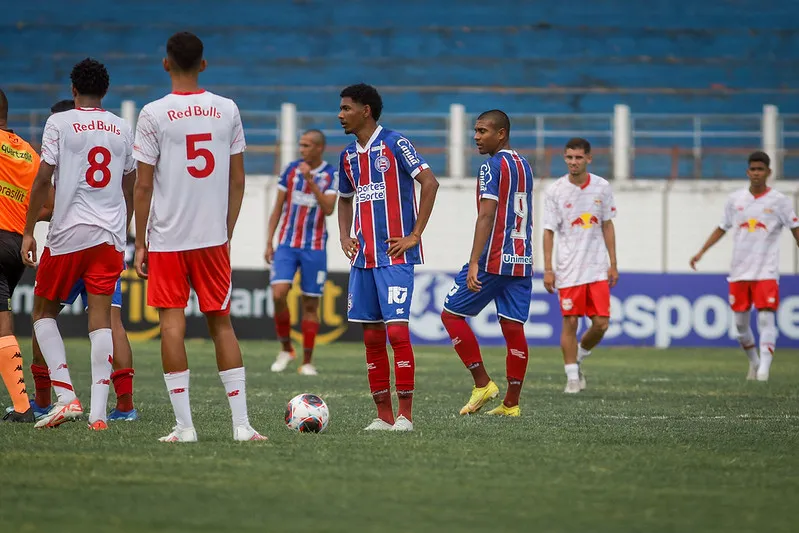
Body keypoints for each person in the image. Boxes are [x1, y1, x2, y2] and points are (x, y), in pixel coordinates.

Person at [132, 31, 266, 442]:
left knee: (172, 328)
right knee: (222, 326)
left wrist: (140, 242)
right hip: (212, 237)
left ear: (166, 63)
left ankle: (185, 428)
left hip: (169, 239)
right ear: (203, 64)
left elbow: (143, 186)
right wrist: (227, 228)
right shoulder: (227, 109)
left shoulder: (153, 113)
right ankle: (241, 426)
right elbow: (238, 180)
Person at [20, 58, 136, 430]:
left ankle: (66, 396)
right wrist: (124, 224)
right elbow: (130, 183)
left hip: (69, 232)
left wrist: (27, 231)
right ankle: (99, 416)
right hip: (109, 236)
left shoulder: (60, 122)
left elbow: (42, 180)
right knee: (101, 321)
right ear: (105, 91)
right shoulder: (121, 127)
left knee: (42, 313)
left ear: (73, 90)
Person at [337, 83, 439, 432]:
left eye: (347, 108)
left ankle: (405, 416)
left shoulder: (395, 143)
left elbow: (430, 182)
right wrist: (343, 235)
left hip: (395, 257)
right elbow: (345, 197)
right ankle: (382, 416)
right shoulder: (348, 156)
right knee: (371, 337)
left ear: (366, 110)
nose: (340, 115)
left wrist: (414, 235)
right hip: (363, 259)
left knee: (397, 334)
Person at [440, 110, 534, 417]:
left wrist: (473, 263)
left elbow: (487, 214)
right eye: (475, 131)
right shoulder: (524, 165)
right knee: (513, 327)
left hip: (494, 258)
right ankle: (511, 404)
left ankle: (482, 384)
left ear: (501, 133)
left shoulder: (491, 166)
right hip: (521, 258)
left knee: (451, 315)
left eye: (482, 131)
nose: (476, 136)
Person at [690, 151, 799, 382]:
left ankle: (764, 371)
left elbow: (795, 228)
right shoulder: (735, 200)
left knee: (765, 318)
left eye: (761, 169)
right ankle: (754, 361)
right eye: (753, 169)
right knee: (740, 325)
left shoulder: (779, 201)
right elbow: (722, 227)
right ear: (747, 171)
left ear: (768, 172)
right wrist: (701, 252)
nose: (756, 173)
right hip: (739, 271)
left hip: (766, 270)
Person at [542, 138, 618, 394]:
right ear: (564, 158)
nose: (573, 162)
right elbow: (548, 231)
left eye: (578, 157)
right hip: (568, 268)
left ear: (588, 158)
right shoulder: (555, 191)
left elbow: (607, 224)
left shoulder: (602, 187)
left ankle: (579, 357)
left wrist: (613, 263)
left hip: (597, 267)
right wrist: (549, 269)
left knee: (601, 324)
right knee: (570, 322)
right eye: (569, 157)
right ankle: (572, 377)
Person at [265, 130, 337, 376]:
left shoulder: (330, 174)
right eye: (300, 144)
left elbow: (328, 209)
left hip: (314, 247)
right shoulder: (291, 169)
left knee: (310, 303)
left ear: (319, 148)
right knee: (278, 293)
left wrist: (310, 182)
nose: (302, 149)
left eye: (306, 145)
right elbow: (278, 208)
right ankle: (286, 348)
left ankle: (306, 361)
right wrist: (269, 242)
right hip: (286, 243)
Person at [0, 88, 39, 422]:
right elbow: (48, 204)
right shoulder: (28, 152)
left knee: (1, 322)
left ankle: (24, 407)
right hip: (16, 245)